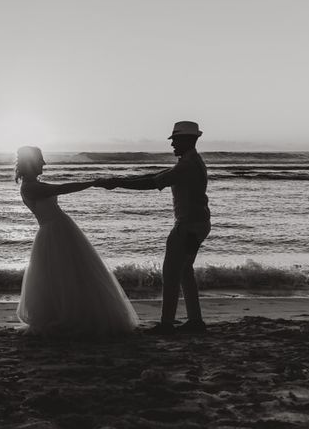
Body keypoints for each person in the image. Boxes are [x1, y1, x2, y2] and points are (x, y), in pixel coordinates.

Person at [96, 121, 211, 335]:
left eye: (176, 140)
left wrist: (118, 183)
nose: (173, 144)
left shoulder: (186, 165)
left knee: (171, 273)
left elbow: (152, 183)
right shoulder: (191, 161)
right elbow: (154, 177)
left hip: (188, 225)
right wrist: (118, 180)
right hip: (199, 222)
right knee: (185, 271)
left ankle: (167, 324)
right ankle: (195, 321)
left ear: (188, 140)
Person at [15, 146, 138, 337]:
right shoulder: (30, 187)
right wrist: (92, 182)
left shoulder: (34, 185)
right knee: (64, 277)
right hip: (54, 233)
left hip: (60, 230)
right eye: (40, 159)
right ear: (30, 162)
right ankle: (68, 317)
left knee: (72, 275)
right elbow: (62, 189)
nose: (44, 163)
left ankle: (78, 314)